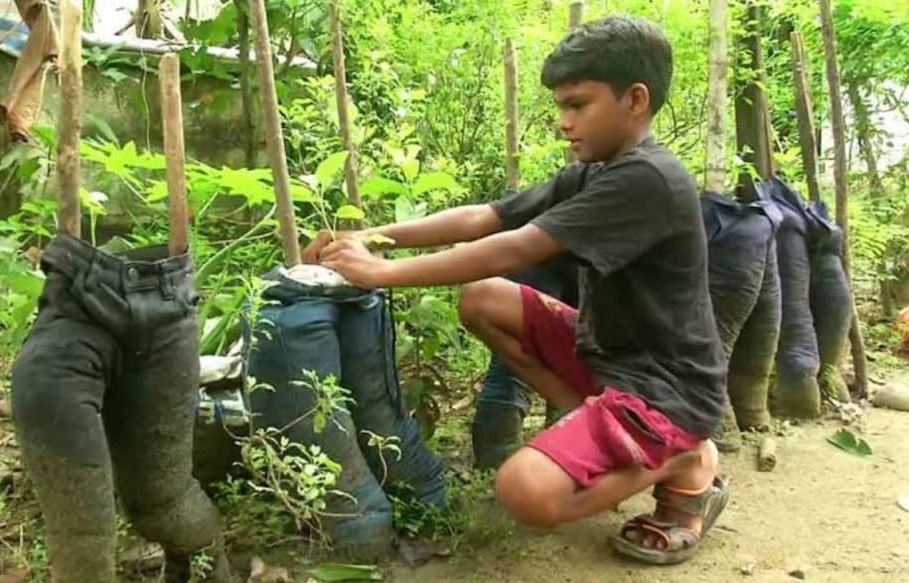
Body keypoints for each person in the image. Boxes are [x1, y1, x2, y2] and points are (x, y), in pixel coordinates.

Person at [306, 15, 729, 565]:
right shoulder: (596, 171)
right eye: (560, 106)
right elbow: (487, 217)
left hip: (665, 391)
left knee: (523, 491)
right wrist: (371, 237)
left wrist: (381, 273)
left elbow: (514, 247)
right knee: (484, 299)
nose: (563, 121)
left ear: (636, 100)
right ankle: (606, 438)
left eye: (578, 104)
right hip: (612, 360)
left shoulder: (647, 179)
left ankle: (687, 460)